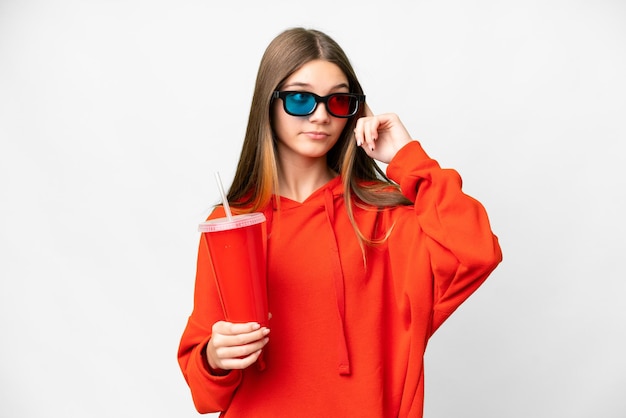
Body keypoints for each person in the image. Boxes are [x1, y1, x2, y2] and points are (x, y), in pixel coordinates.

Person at [178, 27, 502, 417]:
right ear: (269, 103)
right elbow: (204, 393)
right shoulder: (232, 223)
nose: (320, 115)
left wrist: (407, 158)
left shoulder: (386, 220)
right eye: (300, 98)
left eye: (338, 101)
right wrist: (215, 355)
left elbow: (476, 252)